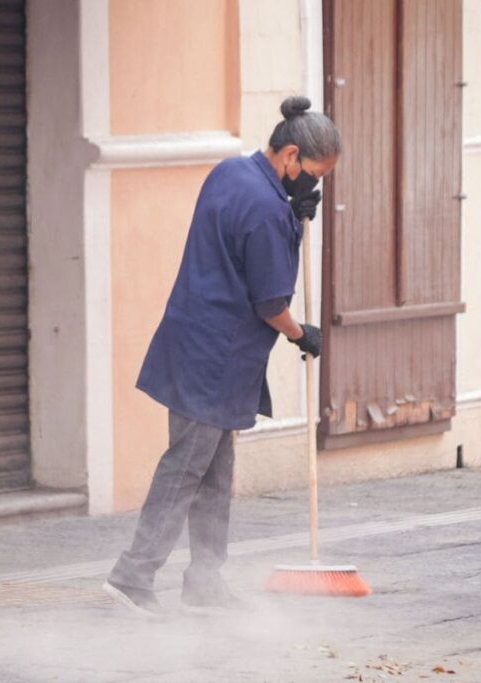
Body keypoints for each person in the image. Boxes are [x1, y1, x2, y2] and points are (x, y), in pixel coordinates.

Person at [103, 96, 342, 616]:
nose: (314, 185)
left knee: (214, 471)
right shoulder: (267, 211)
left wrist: (291, 215)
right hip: (217, 358)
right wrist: (302, 335)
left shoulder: (230, 172)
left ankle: (205, 581)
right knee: (186, 469)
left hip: (194, 342)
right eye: (315, 175)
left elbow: (238, 250)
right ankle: (132, 576)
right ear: (292, 156)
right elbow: (270, 303)